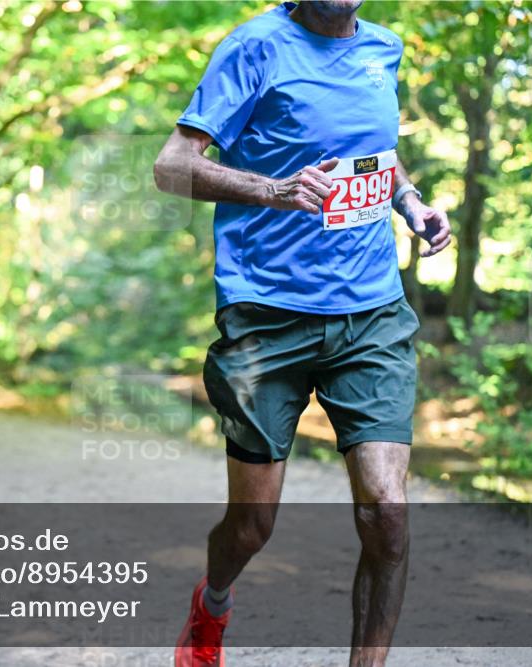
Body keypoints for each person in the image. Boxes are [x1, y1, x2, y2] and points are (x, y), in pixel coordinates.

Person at [153, 2, 452, 666]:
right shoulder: (254, 47)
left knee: (388, 512)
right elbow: (171, 164)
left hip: (371, 312)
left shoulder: (383, 50)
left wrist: (411, 204)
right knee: (252, 525)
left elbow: (379, 154)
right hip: (268, 316)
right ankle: (214, 602)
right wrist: (276, 189)